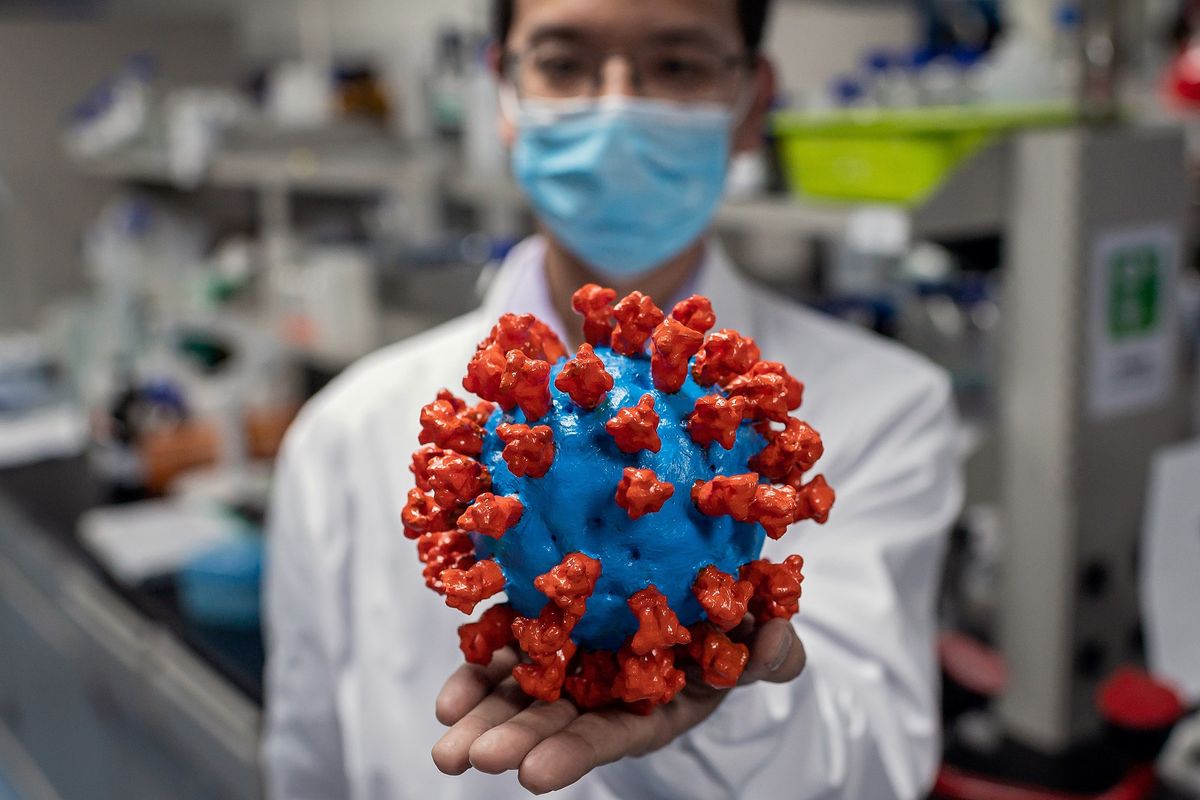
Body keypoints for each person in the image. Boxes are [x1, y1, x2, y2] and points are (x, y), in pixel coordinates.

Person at [263, 0, 964, 797]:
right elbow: (305, 759)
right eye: (564, 64)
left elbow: (880, 764)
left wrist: (729, 701)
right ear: (505, 93)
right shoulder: (346, 431)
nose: (619, 105)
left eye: (677, 66)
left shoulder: (889, 405)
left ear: (751, 104)